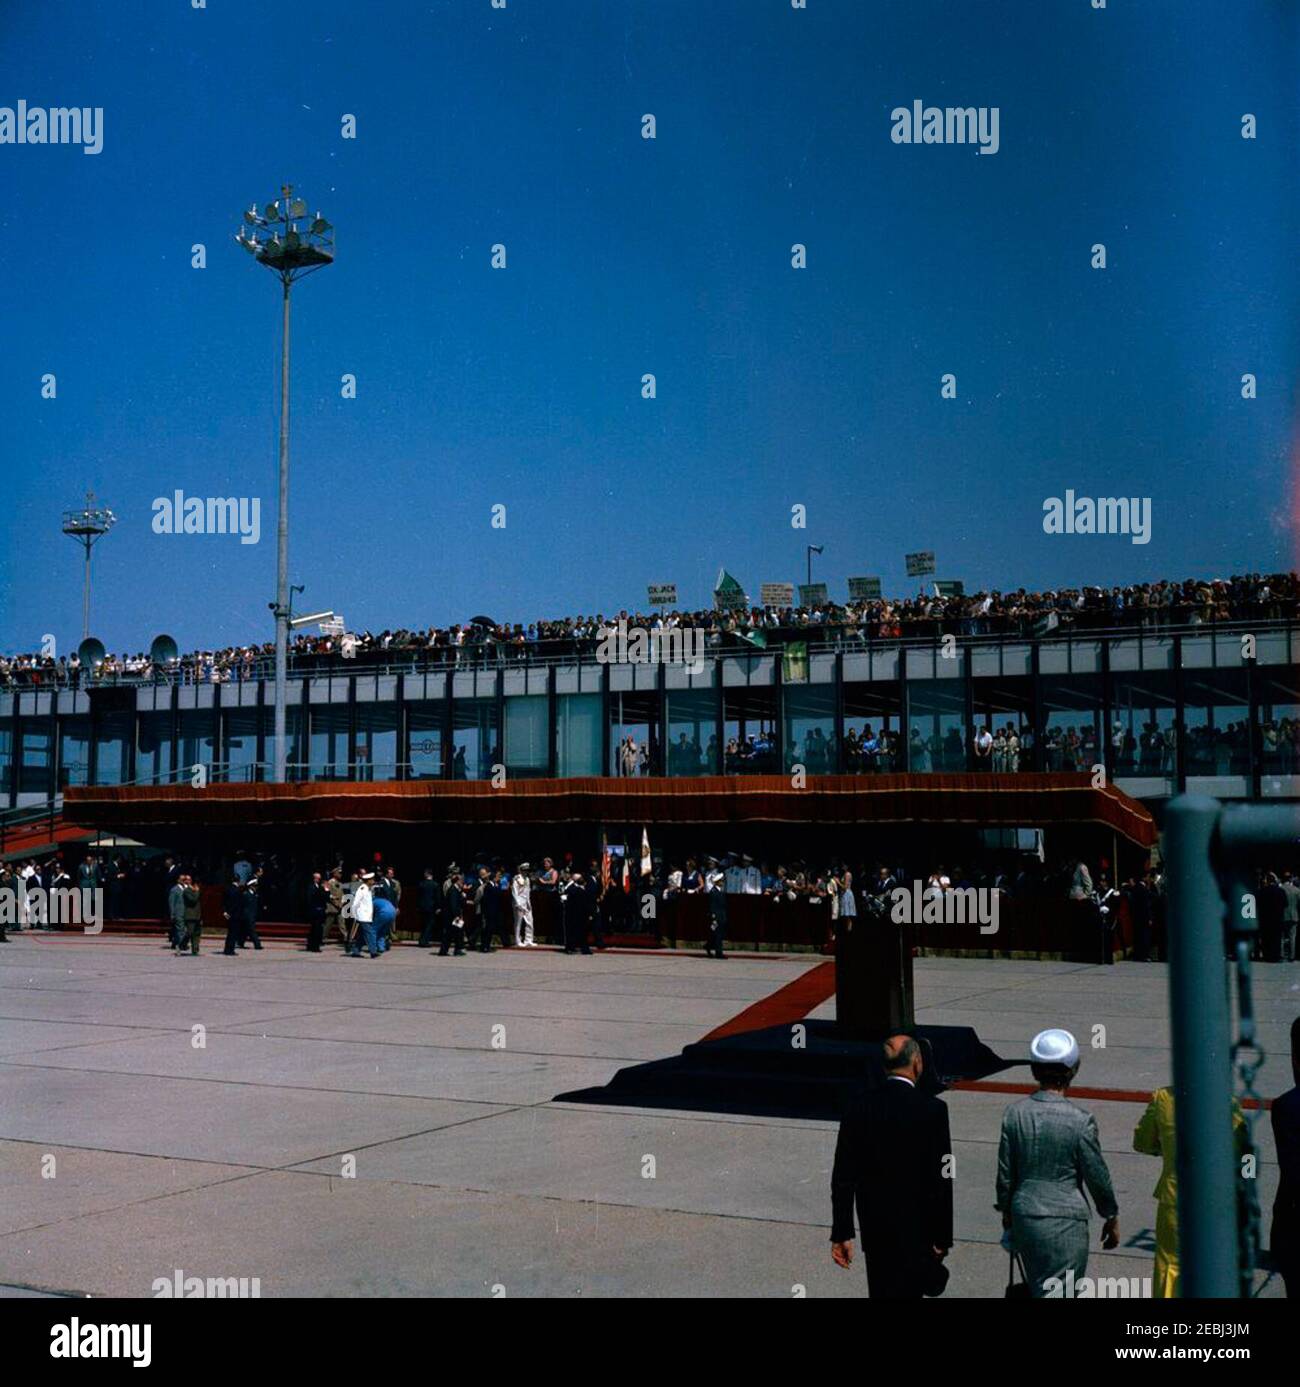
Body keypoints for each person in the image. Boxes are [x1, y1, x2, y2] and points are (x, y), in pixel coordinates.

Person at [996, 1029, 1119, 1297]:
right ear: (1073, 1070)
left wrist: (1007, 1211)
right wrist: (1109, 1214)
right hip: (1066, 1220)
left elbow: (1005, 1173)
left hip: (1025, 1215)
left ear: (1034, 1071)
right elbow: (1096, 1174)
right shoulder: (1080, 1120)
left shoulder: (1014, 1114)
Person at [830, 1035, 953, 1298]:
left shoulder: (858, 1106)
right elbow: (942, 1177)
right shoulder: (933, 1110)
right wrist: (942, 1236)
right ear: (917, 1063)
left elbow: (843, 1175)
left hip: (876, 1229)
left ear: (885, 1066)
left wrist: (842, 1231)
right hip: (917, 1230)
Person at [1132, 1085, 1248, 1297]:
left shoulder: (1162, 1098)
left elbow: (1141, 1142)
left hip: (1174, 1198)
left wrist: (1164, 1148)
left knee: (1170, 1263)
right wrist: (1248, 1180)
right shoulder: (1228, 1103)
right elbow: (1246, 1152)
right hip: (1217, 1201)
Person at [348, 871, 377, 958]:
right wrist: (355, 915)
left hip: (367, 916)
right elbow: (355, 903)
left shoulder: (368, 889)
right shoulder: (362, 889)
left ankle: (356, 951)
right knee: (370, 933)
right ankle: (373, 951)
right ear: (368, 880)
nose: (373, 881)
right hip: (362, 916)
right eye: (372, 879)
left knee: (361, 935)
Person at [704, 856, 727, 960]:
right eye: (721, 881)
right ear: (717, 882)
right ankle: (719, 953)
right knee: (717, 935)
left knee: (717, 934)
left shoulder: (720, 891)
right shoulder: (713, 892)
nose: (723, 882)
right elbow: (712, 905)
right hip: (716, 916)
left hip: (721, 915)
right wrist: (713, 917)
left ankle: (708, 946)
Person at [438, 873, 466, 957]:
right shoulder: (453, 890)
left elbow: (461, 903)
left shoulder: (458, 890)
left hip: (454, 916)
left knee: (455, 933)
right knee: (453, 933)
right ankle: (454, 950)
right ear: (457, 881)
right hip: (452, 916)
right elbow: (453, 904)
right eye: (461, 881)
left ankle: (450, 950)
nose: (463, 883)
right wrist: (456, 916)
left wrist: (463, 896)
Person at [177, 874, 202, 955]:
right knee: (190, 932)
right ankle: (181, 945)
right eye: (186, 880)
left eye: (189, 879)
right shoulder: (186, 891)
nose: (188, 881)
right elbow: (193, 900)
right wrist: (197, 892)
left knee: (196, 933)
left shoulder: (194, 888)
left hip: (197, 915)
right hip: (190, 915)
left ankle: (195, 950)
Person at [512, 863, 535, 947]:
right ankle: (517, 940)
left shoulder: (527, 879)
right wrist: (517, 904)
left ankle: (528, 939)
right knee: (518, 923)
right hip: (519, 903)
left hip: (526, 903)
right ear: (521, 870)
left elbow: (528, 892)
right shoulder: (517, 879)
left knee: (530, 921)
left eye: (527, 871)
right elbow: (514, 892)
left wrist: (529, 902)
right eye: (524, 870)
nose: (526, 872)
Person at [221, 873, 244, 956]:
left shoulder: (227, 889)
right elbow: (239, 904)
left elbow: (223, 901)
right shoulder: (238, 890)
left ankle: (227, 948)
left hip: (229, 914)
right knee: (234, 933)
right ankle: (230, 949)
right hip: (236, 914)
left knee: (230, 932)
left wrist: (225, 912)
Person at [417, 868, 439, 948]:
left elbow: (418, 897)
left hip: (422, 907)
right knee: (429, 924)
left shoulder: (421, 884)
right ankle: (424, 941)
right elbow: (437, 897)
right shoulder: (435, 885)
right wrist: (438, 907)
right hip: (431, 907)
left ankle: (421, 940)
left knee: (423, 924)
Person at [306, 872, 328, 952]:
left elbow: (324, 897)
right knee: (315, 929)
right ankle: (314, 946)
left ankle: (311, 945)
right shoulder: (311, 887)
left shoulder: (319, 886)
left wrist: (325, 890)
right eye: (317, 878)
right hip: (315, 910)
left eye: (319, 878)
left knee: (316, 929)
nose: (318, 879)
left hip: (320, 910)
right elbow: (310, 898)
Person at [240, 879, 264, 951]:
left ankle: (241, 942)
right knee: (252, 930)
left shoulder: (255, 894)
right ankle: (257, 944)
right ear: (250, 886)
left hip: (252, 914)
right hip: (247, 915)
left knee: (245, 930)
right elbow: (242, 905)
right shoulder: (245, 894)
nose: (256, 887)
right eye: (255, 886)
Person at [168, 873, 187, 955]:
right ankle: (179, 946)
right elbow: (171, 903)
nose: (184, 881)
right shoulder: (174, 890)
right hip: (178, 912)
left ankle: (176, 943)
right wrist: (172, 914)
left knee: (184, 930)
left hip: (186, 912)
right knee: (180, 930)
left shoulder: (187, 888)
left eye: (185, 879)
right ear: (178, 880)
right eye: (182, 880)